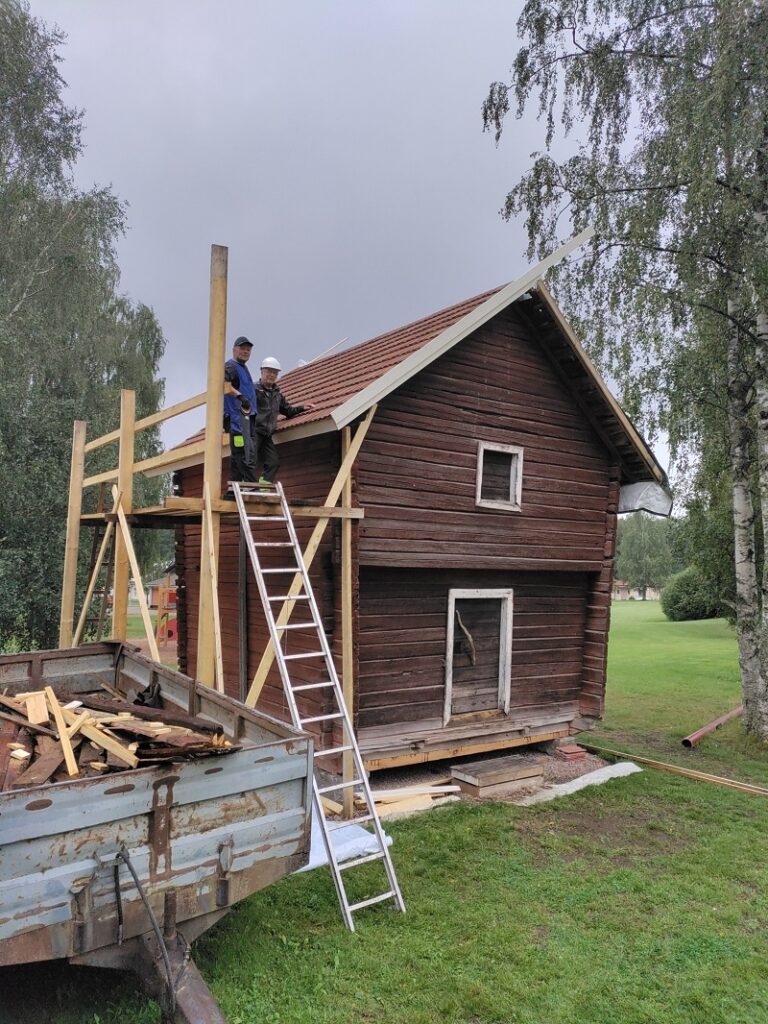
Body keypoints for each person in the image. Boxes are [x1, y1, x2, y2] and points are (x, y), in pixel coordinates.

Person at [251, 355, 316, 483]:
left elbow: (288, 411)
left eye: (274, 372)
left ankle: (263, 488)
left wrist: (302, 407)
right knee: (249, 460)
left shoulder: (277, 394)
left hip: (266, 435)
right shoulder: (254, 390)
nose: (271, 375)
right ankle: (246, 487)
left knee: (273, 462)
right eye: (269, 371)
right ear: (262, 371)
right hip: (254, 432)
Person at [223, 336, 258, 482]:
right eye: (242, 349)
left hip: (246, 418)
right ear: (234, 350)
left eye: (248, 350)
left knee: (240, 454)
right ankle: (252, 485)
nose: (245, 352)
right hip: (236, 419)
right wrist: (240, 396)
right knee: (242, 453)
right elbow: (224, 384)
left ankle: (233, 489)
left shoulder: (243, 368)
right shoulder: (230, 367)